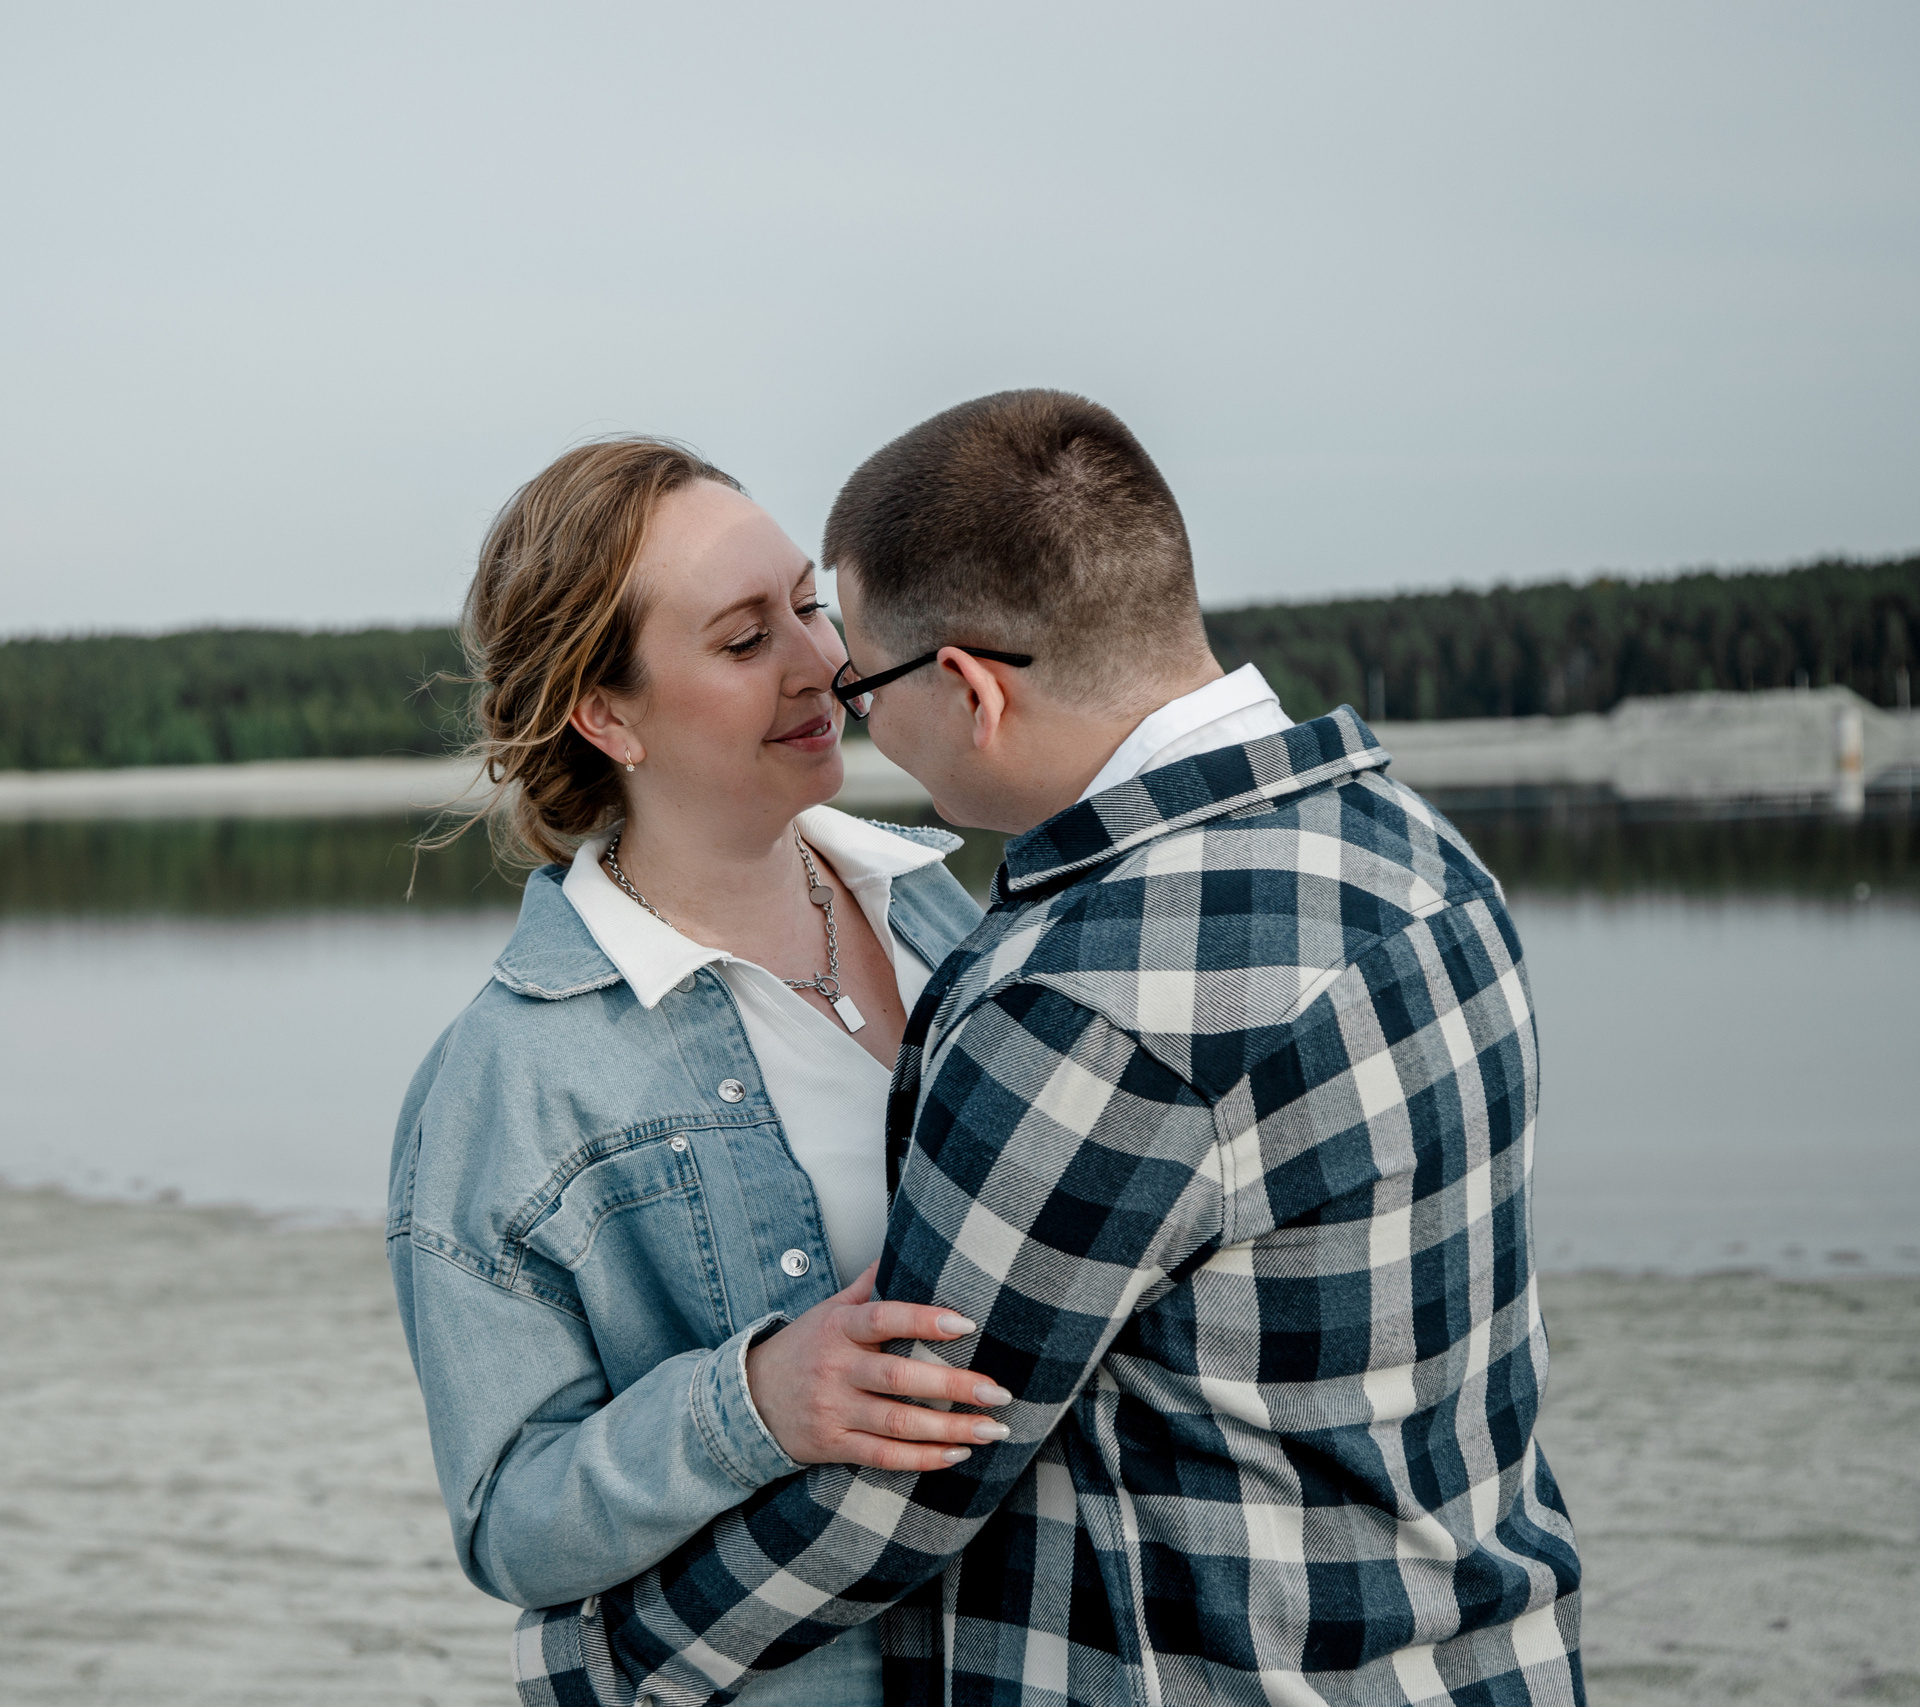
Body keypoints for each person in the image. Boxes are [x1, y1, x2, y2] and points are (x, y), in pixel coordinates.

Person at [517, 391, 1585, 1706]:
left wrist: (594, 1661)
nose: (848, 710)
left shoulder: (1085, 996)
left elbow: (916, 1465)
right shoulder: (1420, 854)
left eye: (857, 672)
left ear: (966, 687)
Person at [388, 438, 1001, 1705]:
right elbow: (510, 1521)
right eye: (740, 641)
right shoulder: (510, 1080)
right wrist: (754, 1403)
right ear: (606, 714)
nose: (821, 662)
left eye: (807, 605)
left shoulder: (943, 908)